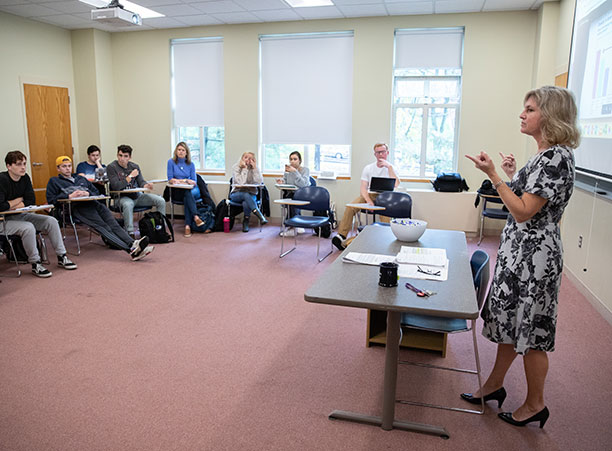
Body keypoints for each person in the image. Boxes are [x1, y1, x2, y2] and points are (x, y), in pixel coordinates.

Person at [463, 86, 579, 428]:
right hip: (521, 257)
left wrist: (495, 176)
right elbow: (531, 202)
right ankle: (495, 385)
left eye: (529, 109)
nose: (522, 114)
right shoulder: (544, 157)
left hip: (535, 261)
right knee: (512, 329)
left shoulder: (556, 157)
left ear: (550, 116)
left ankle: (535, 404)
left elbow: (525, 212)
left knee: (531, 333)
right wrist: (514, 176)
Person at [46, 156, 153, 261]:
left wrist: (87, 192)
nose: (67, 168)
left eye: (69, 166)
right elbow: (51, 199)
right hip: (78, 208)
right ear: (58, 168)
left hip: (94, 203)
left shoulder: (80, 178)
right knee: (104, 227)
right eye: (64, 166)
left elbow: (96, 192)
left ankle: (133, 243)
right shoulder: (54, 181)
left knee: (113, 224)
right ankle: (131, 250)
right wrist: (69, 196)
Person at [0, 150, 77, 277]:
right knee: (28, 228)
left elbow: (31, 200)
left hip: (20, 215)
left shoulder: (25, 178)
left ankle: (61, 256)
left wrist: (13, 204)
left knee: (51, 221)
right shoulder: (2, 180)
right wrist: (19, 199)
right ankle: (36, 263)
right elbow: (1, 206)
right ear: (9, 166)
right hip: (3, 220)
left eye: (24, 163)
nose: (23, 167)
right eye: (19, 164)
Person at [332, 143, 399, 250]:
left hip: (386, 197)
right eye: (378, 152)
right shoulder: (368, 168)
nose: (380, 154)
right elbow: (363, 188)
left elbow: (396, 184)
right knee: (350, 206)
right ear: (375, 154)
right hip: (370, 195)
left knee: (386, 213)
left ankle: (385, 239)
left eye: (383, 152)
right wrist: (368, 201)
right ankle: (341, 235)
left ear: (387, 153)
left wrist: (389, 167)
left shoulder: (392, 168)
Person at [107, 144, 166, 237]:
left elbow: (141, 181)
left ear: (130, 157)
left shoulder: (134, 166)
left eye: (125, 156)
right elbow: (116, 186)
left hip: (137, 196)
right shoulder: (111, 167)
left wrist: (146, 185)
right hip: (121, 197)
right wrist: (130, 176)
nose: (122, 158)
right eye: (120, 155)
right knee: (128, 204)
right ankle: (130, 233)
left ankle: (162, 229)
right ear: (117, 155)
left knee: (160, 200)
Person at [167, 142, 206, 237]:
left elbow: (194, 181)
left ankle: (188, 226)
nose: (180, 152)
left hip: (193, 190)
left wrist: (180, 180)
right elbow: (170, 179)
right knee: (186, 196)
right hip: (178, 191)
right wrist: (185, 180)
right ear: (176, 151)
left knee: (188, 193)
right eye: (179, 150)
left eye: (183, 150)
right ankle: (194, 218)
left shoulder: (191, 164)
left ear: (186, 152)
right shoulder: (171, 162)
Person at [230, 152, 267, 233]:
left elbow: (259, 182)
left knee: (246, 202)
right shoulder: (236, 167)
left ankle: (246, 221)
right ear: (242, 158)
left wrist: (255, 169)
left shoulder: (255, 168)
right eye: (246, 157)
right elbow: (241, 183)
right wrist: (244, 169)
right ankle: (259, 214)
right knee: (246, 195)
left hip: (251, 193)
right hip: (237, 193)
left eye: (250, 158)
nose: (248, 160)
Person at [276, 151, 311, 237]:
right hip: (291, 193)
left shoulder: (305, 170)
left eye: (295, 159)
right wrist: (282, 182)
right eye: (291, 159)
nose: (292, 161)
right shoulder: (288, 171)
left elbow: (303, 184)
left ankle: (292, 226)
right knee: (291, 197)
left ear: (300, 161)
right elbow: (287, 182)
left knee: (292, 199)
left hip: (303, 194)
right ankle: (295, 224)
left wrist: (295, 172)